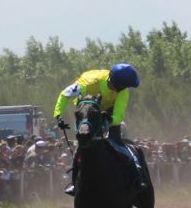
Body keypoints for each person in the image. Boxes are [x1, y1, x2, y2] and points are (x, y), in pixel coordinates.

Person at [52, 63, 143, 195]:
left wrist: (110, 120)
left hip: (108, 113)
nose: (127, 88)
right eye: (126, 85)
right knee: (82, 145)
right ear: (118, 83)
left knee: (117, 142)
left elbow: (119, 114)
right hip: (87, 112)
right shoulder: (89, 82)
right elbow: (65, 95)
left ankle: (136, 178)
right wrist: (58, 116)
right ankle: (75, 184)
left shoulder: (123, 92)